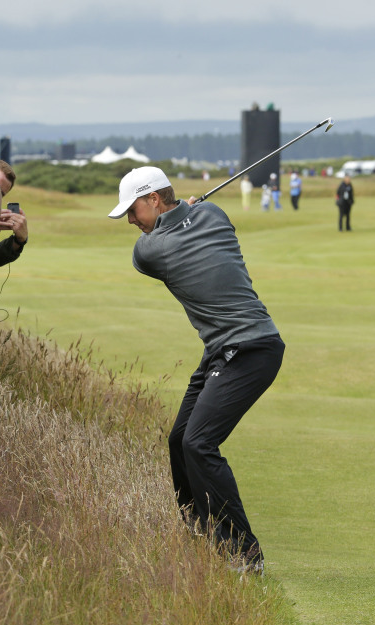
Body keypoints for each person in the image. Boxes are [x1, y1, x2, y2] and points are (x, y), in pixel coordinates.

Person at [108, 166, 284, 574]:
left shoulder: (151, 251)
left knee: (199, 444)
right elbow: (195, 220)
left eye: (133, 210)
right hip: (225, 349)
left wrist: (180, 215)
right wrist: (187, 211)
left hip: (250, 349)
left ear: (154, 199)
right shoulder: (215, 214)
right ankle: (198, 534)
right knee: (178, 440)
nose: (131, 221)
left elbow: (152, 246)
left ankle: (245, 554)